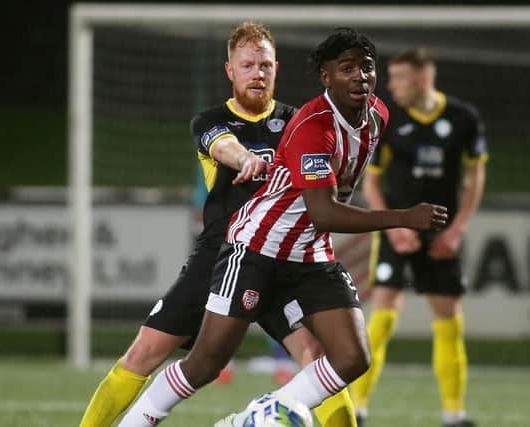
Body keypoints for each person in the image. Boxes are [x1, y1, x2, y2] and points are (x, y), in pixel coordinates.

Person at [116, 28, 448, 427]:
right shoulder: (313, 127)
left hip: (308, 251)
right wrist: (402, 216)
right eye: (347, 69)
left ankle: (258, 416)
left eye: (367, 68)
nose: (359, 76)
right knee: (205, 363)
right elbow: (325, 212)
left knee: (352, 357)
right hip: (257, 247)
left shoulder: (378, 114)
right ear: (326, 78)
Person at [78, 22, 359, 427]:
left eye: (264, 65)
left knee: (322, 363)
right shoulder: (209, 121)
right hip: (220, 256)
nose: (257, 73)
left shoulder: (302, 124)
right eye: (247, 65)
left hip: (280, 258)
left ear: (276, 68)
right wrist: (246, 159)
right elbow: (223, 146)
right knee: (144, 352)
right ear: (230, 71)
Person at [349, 47, 487, 427]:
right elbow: (371, 181)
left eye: (400, 79)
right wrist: (392, 226)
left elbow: (475, 177)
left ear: (424, 78)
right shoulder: (387, 119)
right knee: (383, 315)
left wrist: (458, 229)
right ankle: (358, 408)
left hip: (441, 232)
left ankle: (454, 414)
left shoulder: (463, 119)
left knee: (448, 317)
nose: (392, 87)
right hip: (399, 229)